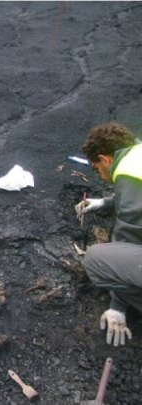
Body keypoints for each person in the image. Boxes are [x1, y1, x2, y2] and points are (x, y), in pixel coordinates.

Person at [75, 122, 142, 347]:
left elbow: (129, 236)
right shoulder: (137, 156)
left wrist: (117, 307)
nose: (102, 177)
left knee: (95, 259)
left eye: (97, 169)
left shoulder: (128, 175)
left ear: (105, 159)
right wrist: (104, 202)